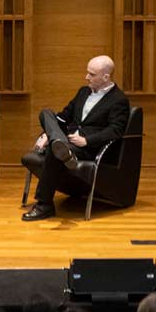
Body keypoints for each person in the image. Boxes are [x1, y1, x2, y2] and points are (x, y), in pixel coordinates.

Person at [22, 55, 130, 221]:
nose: (86, 77)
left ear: (106, 77)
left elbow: (115, 131)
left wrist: (87, 141)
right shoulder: (83, 92)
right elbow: (64, 117)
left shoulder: (119, 100)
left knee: (53, 150)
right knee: (46, 113)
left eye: (92, 74)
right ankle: (57, 143)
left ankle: (45, 205)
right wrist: (47, 133)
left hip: (87, 147)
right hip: (67, 141)